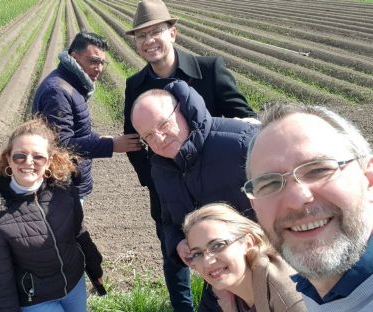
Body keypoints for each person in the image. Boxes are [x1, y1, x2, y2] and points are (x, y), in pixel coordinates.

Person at [122, 0, 257, 309]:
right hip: (170, 188)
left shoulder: (209, 69)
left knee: (234, 253)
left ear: (173, 33)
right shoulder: (136, 84)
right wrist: (157, 178)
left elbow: (242, 118)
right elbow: (134, 140)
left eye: (155, 32)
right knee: (176, 253)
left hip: (220, 186)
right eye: (141, 36)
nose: (148, 41)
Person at [244, 104, 373, 311]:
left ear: (370, 179)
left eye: (319, 170)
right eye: (270, 183)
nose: (296, 199)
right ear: (254, 205)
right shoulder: (313, 289)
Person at [130, 80, 258, 311]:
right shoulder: (160, 167)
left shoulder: (241, 142)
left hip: (266, 272)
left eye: (163, 125)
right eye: (148, 136)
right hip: (218, 280)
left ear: (181, 111)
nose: (159, 139)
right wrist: (178, 243)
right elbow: (169, 219)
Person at [0, 118, 104, 311]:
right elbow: (0, 279)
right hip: (37, 299)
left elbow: (78, 231)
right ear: (8, 158)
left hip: (75, 284)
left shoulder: (64, 188)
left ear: (49, 160)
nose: (28, 162)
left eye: (38, 157)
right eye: (20, 156)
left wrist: (94, 266)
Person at [32, 31, 141, 200]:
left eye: (103, 62)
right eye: (94, 61)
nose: (99, 68)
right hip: (62, 188)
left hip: (70, 183)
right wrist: (111, 145)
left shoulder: (71, 85)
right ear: (74, 57)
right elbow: (62, 144)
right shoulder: (58, 92)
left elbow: (76, 132)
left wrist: (99, 138)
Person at [182, 203, 306, 312]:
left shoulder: (290, 299)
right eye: (197, 253)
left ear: (248, 243)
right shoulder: (228, 292)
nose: (207, 262)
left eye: (218, 245)